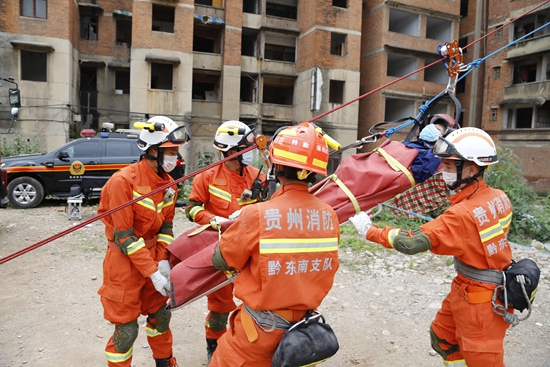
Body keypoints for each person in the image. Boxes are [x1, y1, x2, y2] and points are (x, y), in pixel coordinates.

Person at [350, 127, 513, 367]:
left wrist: (369, 230)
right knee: (443, 337)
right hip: (472, 287)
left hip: (480, 300)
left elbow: (411, 241)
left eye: (448, 167)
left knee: (482, 359)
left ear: (471, 168)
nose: (443, 172)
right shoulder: (498, 197)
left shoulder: (461, 214)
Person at [208, 122, 340, 366]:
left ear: (276, 167)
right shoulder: (329, 215)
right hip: (304, 332)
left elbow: (222, 260)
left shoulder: (257, 215)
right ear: (314, 172)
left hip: (258, 333)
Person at [98, 116, 189, 367]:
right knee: (126, 332)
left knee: (160, 317)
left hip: (152, 258)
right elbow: (125, 237)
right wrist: (153, 273)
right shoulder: (122, 182)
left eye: (176, 151)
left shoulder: (170, 185)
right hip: (124, 263)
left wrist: (162, 262)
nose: (176, 157)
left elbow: (166, 228)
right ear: (152, 150)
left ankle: (164, 362)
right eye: (170, 151)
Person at [185, 120, 265, 362]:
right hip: (220, 249)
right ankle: (214, 346)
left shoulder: (255, 175)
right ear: (231, 152)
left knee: (255, 301)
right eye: (246, 148)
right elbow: (191, 209)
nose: (251, 153)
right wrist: (214, 219)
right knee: (220, 306)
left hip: (251, 250)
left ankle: (250, 348)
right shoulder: (206, 177)